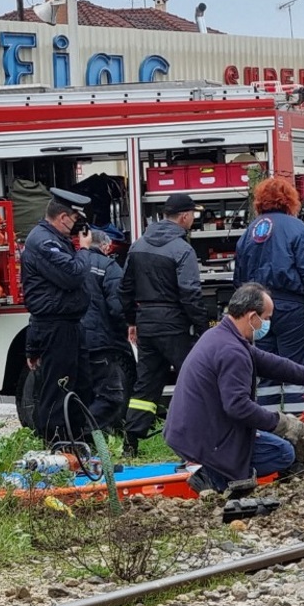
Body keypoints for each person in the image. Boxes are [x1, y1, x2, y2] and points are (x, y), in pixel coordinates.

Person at [164, 282, 304, 494]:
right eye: (267, 318)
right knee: (282, 452)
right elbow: (238, 407)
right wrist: (283, 423)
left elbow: (271, 363)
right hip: (205, 437)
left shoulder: (221, 336)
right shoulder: (232, 351)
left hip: (194, 430)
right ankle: (214, 476)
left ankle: (218, 471)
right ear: (253, 317)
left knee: (268, 440)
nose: (268, 323)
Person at [121, 192, 210, 454]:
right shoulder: (183, 249)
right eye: (192, 214)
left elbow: (124, 288)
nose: (193, 219)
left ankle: (131, 441)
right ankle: (197, 437)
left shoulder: (138, 245)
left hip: (146, 323)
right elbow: (190, 292)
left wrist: (132, 321)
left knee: (146, 384)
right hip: (174, 325)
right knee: (194, 379)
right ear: (183, 216)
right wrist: (203, 327)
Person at [233, 176, 304, 417]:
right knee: (295, 370)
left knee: (265, 371)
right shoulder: (298, 229)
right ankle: (298, 425)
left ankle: (269, 427)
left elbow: (239, 278)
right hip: (292, 308)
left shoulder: (249, 232)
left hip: (256, 310)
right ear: (290, 201)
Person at [20, 188, 93, 445]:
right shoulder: (43, 242)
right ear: (63, 217)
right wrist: (84, 249)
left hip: (66, 325)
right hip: (56, 327)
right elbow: (72, 274)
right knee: (57, 389)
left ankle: (77, 444)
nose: (77, 226)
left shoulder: (53, 239)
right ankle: (56, 446)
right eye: (75, 219)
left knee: (78, 386)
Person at [79, 224, 130, 432]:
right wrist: (123, 335)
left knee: (83, 392)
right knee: (112, 396)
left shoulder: (74, 263)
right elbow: (117, 308)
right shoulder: (109, 267)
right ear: (107, 246)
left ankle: (80, 437)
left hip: (76, 340)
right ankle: (85, 432)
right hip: (100, 342)